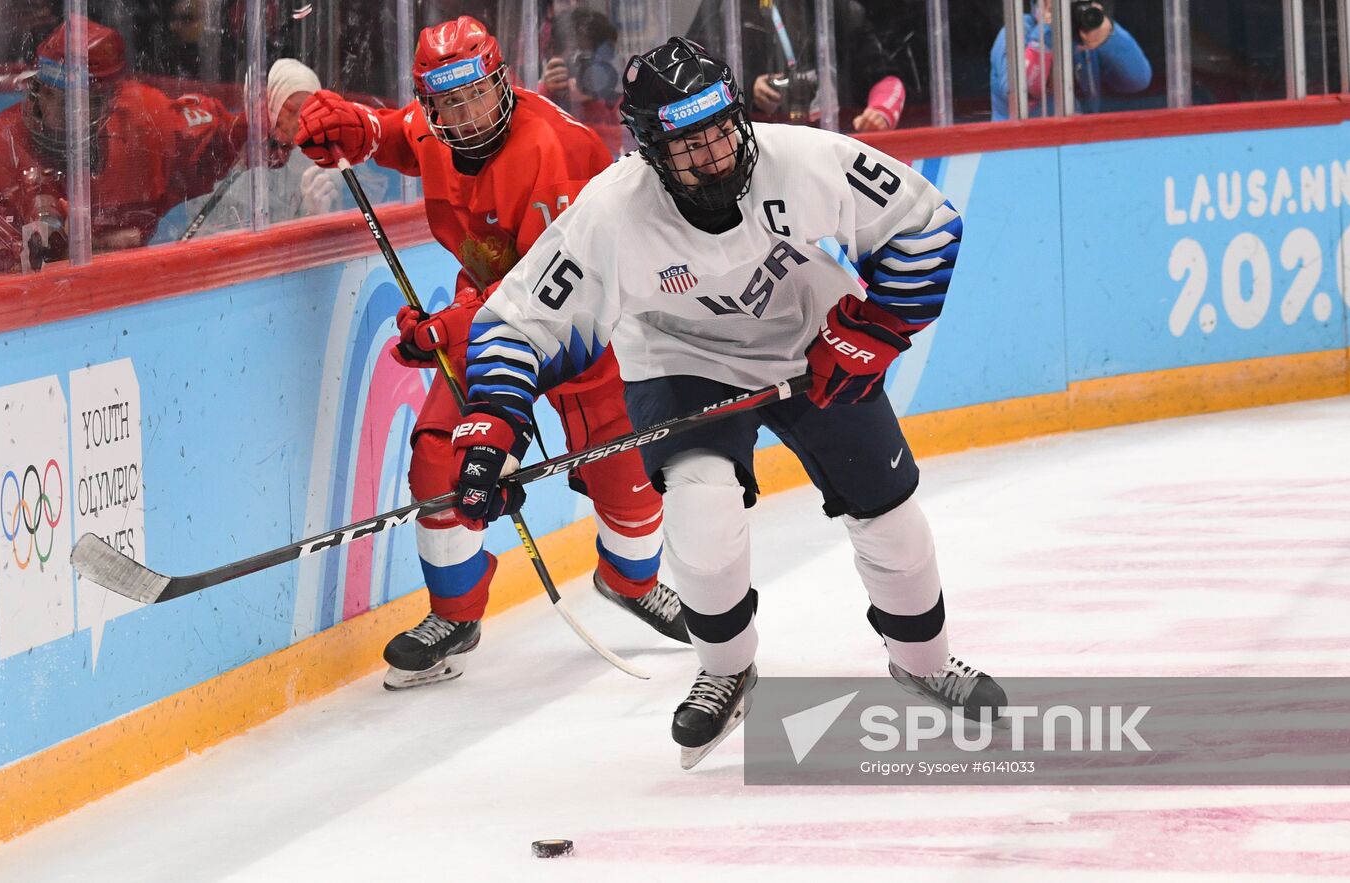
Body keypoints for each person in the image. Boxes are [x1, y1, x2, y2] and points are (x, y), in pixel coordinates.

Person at [451, 38, 1006, 768]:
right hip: (682, 362)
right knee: (701, 509)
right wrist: (492, 431)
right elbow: (517, 323)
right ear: (651, 152)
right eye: (689, 143)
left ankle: (924, 659)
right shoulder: (613, 213)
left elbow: (925, 224)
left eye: (721, 129)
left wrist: (873, 331)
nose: (714, 153)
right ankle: (726, 668)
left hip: (813, 344)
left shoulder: (799, 159)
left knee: (891, 512)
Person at [293, 15, 688, 690]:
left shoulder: (551, 148)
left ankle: (632, 579)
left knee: (627, 475)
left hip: (589, 322)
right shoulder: (435, 129)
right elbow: (392, 134)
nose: (466, 112)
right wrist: (350, 126)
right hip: (491, 323)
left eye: (475, 92)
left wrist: (449, 327)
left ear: (500, 81)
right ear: (433, 104)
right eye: (447, 101)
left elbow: (547, 287)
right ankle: (455, 614)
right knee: (440, 456)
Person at [0, 15, 245, 272]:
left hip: (129, 299)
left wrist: (269, 117)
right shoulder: (1, 151)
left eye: (75, 102)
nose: (50, 108)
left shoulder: (146, 122)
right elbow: (13, 284)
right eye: (45, 90)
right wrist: (71, 255)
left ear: (107, 101)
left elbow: (233, 136)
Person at [173, 59, 344, 238]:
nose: (297, 123)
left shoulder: (321, 163)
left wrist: (313, 217)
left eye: (308, 113)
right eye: (291, 111)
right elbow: (203, 239)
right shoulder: (233, 158)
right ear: (268, 108)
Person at [686, 0, 905, 133]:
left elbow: (885, 76)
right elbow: (692, 74)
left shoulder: (833, 8)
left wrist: (880, 112)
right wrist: (745, 87)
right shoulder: (725, 6)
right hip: (756, 145)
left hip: (830, 139)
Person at [990, 0, 1151, 120]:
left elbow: (1138, 79)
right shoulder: (1015, 30)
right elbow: (1021, 95)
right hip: (1019, 150)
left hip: (1081, 142)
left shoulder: (1085, 31)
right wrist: (1049, 31)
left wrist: (1109, 34)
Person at [538, 7, 623, 154]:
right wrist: (547, 93)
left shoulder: (616, 103)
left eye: (596, 60)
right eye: (579, 60)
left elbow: (614, 148)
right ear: (554, 55)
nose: (588, 70)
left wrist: (596, 99)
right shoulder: (538, 100)